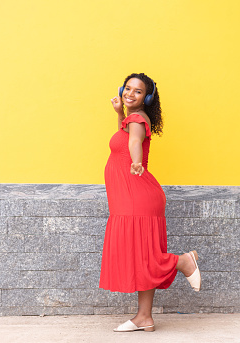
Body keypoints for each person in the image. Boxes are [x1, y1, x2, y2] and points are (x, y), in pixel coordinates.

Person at [99, 73, 201, 332]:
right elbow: (126, 136)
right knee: (140, 255)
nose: (130, 94)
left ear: (147, 97)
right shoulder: (132, 118)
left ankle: (181, 262)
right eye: (128, 89)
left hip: (136, 196)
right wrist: (119, 113)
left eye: (138, 91)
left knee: (143, 255)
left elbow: (134, 141)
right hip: (132, 197)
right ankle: (144, 317)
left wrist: (136, 161)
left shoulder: (137, 119)